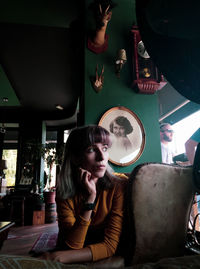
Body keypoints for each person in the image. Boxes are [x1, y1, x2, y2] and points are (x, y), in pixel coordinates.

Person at [39, 125, 126, 263]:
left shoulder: (118, 186)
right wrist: (89, 200)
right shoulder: (64, 192)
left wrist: (56, 257)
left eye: (104, 148)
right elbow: (72, 246)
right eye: (91, 149)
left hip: (92, 250)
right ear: (75, 158)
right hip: (73, 247)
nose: (102, 157)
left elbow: (110, 246)